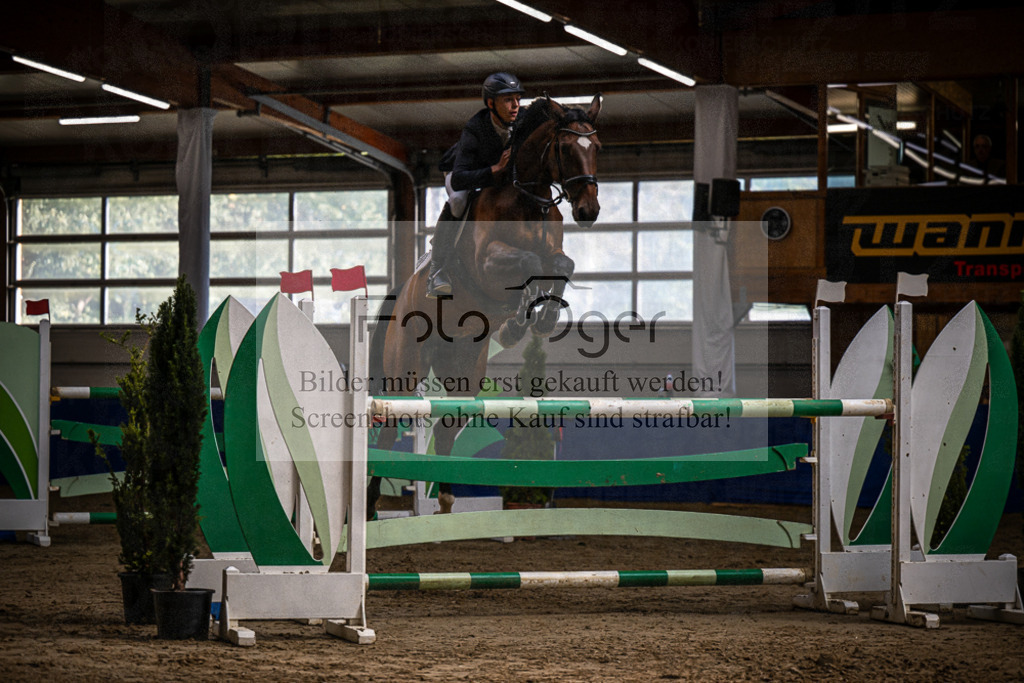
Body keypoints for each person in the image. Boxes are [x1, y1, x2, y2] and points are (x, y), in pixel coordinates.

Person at [428, 72, 524, 298]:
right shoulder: (475, 128)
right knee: (458, 201)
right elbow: (460, 178)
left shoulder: (523, 120)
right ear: (491, 103)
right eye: (508, 100)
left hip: (499, 177)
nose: (515, 106)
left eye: (517, 99)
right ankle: (437, 269)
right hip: (462, 173)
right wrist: (494, 169)